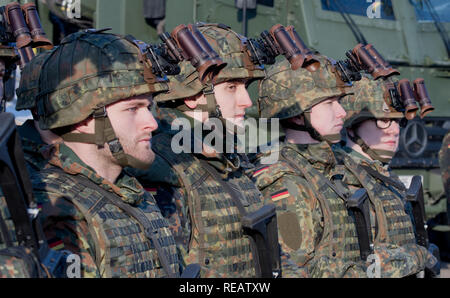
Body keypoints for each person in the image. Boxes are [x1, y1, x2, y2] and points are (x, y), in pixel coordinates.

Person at [28, 29, 198, 278]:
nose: (151, 122)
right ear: (83, 119)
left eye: (148, 107)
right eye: (133, 109)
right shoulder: (61, 211)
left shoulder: (129, 189)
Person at [128, 23, 280, 278]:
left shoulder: (222, 153)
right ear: (191, 95)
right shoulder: (167, 169)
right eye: (231, 87)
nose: (247, 101)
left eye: (244, 86)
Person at [251, 56, 366, 277]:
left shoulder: (330, 166)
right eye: (329, 103)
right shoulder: (285, 183)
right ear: (296, 116)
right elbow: (295, 270)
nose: (342, 112)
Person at [333, 76, 440, 277]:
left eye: (397, 121)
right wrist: (419, 257)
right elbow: (349, 262)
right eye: (383, 121)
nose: (394, 130)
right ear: (351, 127)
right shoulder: (341, 181)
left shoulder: (384, 176)